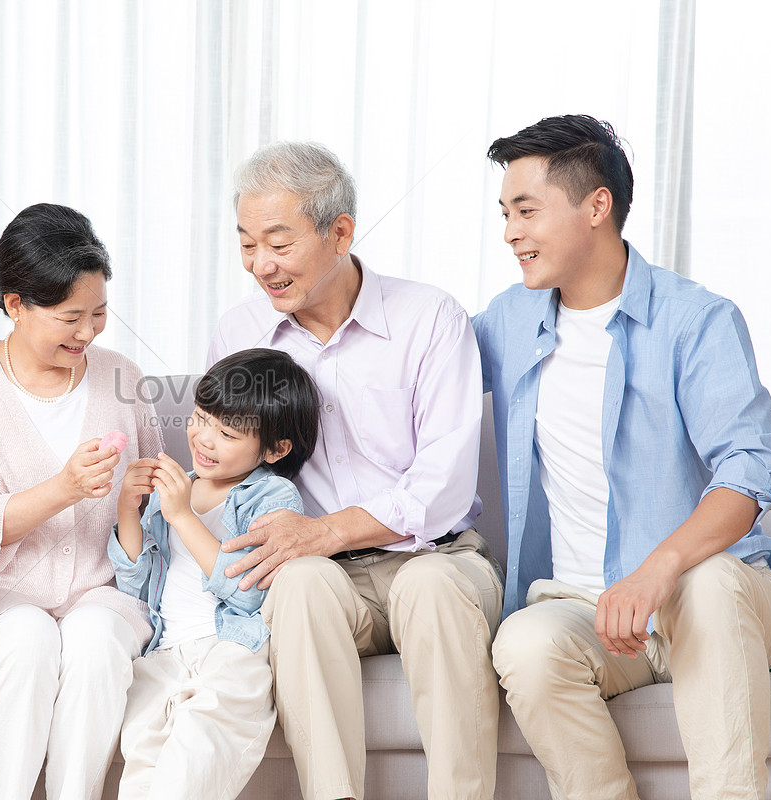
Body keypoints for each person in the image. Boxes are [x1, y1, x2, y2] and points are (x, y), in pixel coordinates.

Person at [474, 114, 771, 800]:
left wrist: (658, 571)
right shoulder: (506, 321)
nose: (510, 233)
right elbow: (413, 372)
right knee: (525, 645)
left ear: (597, 206)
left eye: (526, 211)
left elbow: (752, 469)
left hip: (716, 598)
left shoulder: (695, 320)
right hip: (586, 607)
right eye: (505, 213)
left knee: (705, 585)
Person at [207, 141, 503, 800]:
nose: (260, 265)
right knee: (302, 585)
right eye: (247, 244)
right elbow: (225, 465)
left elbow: (444, 482)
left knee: (428, 586)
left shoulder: (429, 317)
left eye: (278, 244)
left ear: (340, 232)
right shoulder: (241, 332)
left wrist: (328, 530)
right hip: (327, 579)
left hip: (439, 558)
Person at [0, 202, 161, 800]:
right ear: (15, 305)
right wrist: (64, 486)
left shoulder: (121, 376)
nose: (87, 332)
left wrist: (148, 493)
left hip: (104, 585)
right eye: (70, 317)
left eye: (99, 314)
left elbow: (155, 497)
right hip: (1, 588)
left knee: (95, 644)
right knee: (27, 642)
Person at [109, 347, 319, 799]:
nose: (204, 438)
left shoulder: (272, 498)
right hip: (163, 652)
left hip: (230, 650)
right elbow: (137, 584)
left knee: (195, 761)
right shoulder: (179, 488)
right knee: (142, 764)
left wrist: (183, 515)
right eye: (201, 417)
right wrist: (129, 509)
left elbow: (248, 592)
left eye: (226, 432)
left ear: (275, 448)